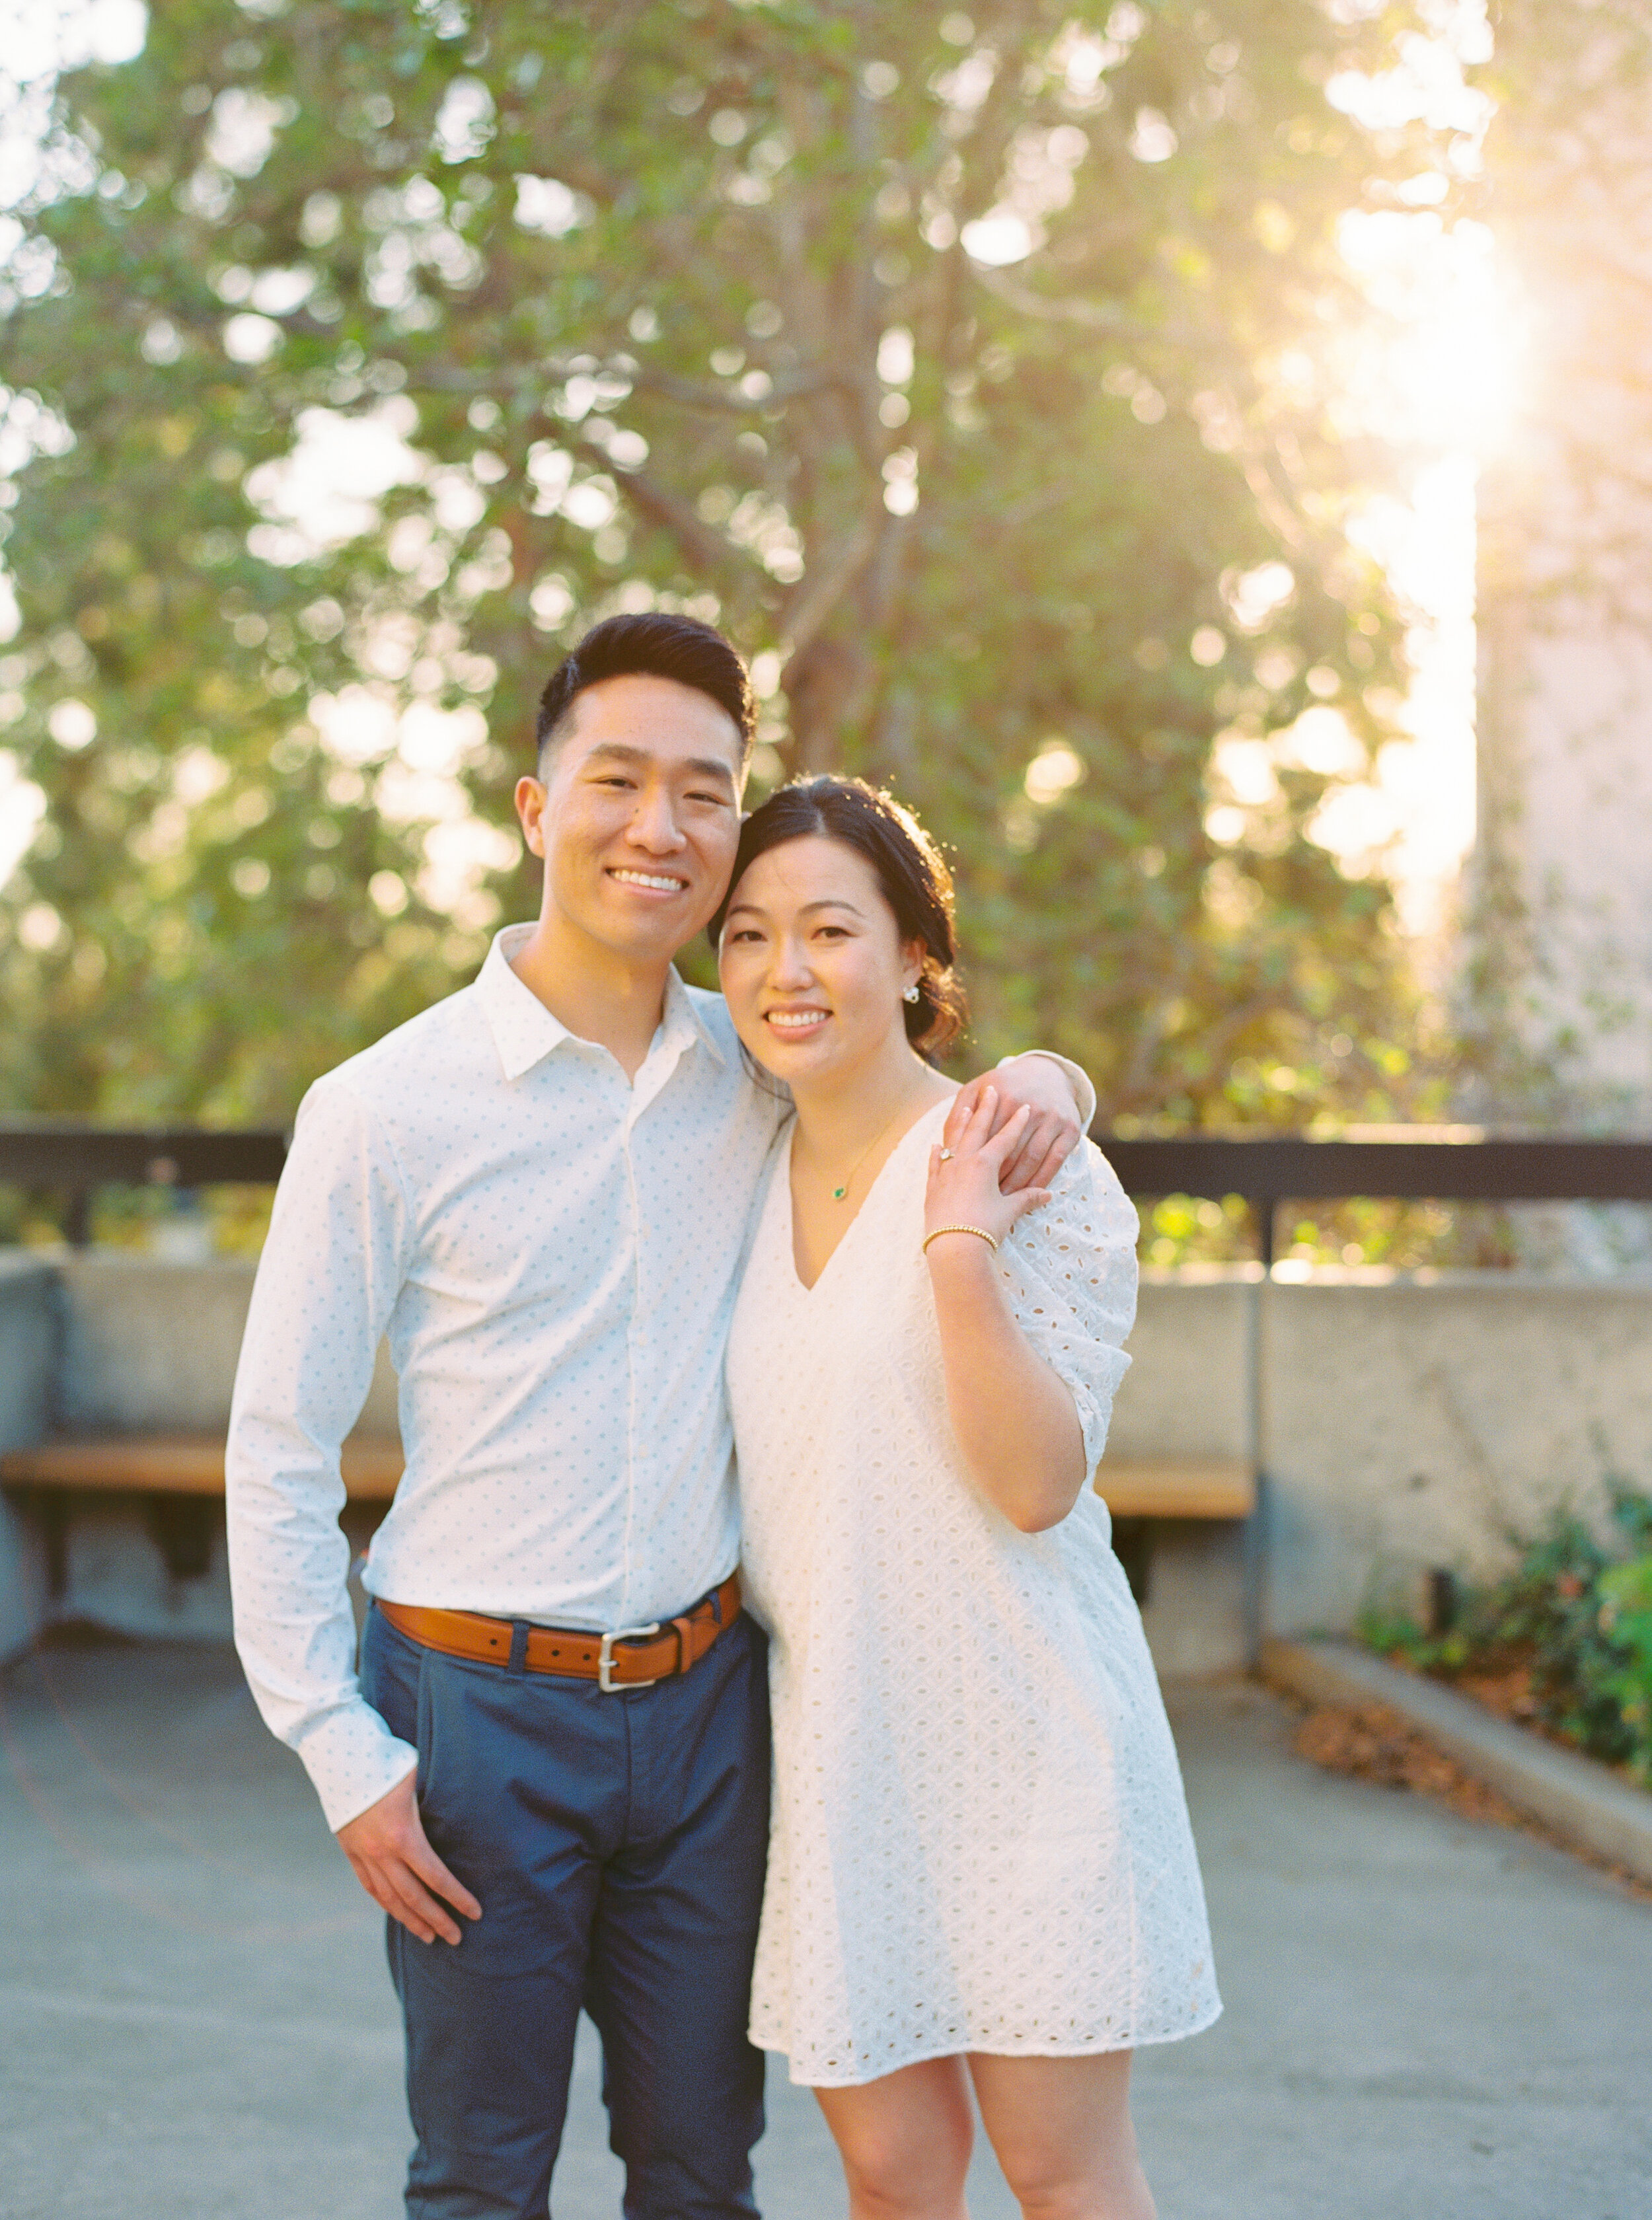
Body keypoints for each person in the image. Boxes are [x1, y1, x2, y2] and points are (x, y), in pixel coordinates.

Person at [225, 612, 1092, 2220]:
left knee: (704, 2169)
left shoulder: (752, 1059)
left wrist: (1048, 1076)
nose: (661, 826)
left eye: (704, 791)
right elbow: (277, 1446)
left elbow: (914, 1064)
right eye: (616, 780)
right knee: (480, 2175)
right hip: (475, 1715)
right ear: (533, 809)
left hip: (709, 1715)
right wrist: (338, 1748)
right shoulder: (381, 1110)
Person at [715, 776, 1220, 2220]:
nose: (784, 971)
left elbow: (1031, 1483)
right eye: (746, 936)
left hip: (1024, 1737)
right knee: (890, 2173)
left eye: (828, 928)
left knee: (1059, 2176)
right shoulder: (733, 1156)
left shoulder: (1024, 1163)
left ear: (916, 957)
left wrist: (953, 1249)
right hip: (836, 1746)